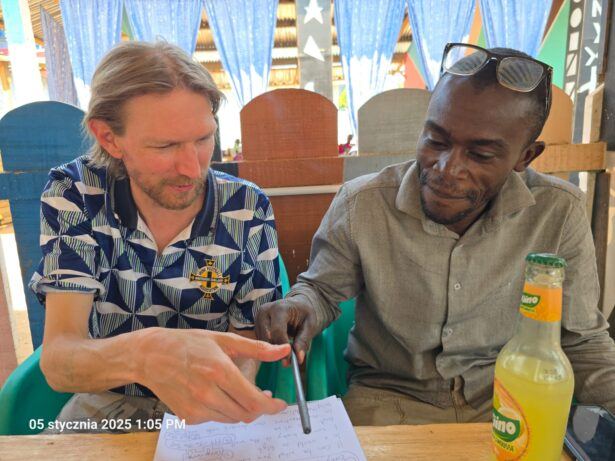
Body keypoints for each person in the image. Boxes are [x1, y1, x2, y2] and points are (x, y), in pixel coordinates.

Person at [256, 44, 615, 425]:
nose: (447, 168)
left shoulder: (559, 213)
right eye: (436, 140)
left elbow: (582, 343)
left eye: (480, 154)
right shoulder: (362, 204)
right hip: (387, 401)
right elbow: (323, 292)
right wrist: (300, 306)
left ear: (526, 156)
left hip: (512, 404)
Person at [30, 41, 290, 432]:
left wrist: (228, 402)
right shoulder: (76, 194)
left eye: (203, 139)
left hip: (208, 411)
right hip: (105, 405)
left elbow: (245, 344)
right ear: (108, 138)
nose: (192, 168)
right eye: (165, 146)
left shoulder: (247, 208)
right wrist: (146, 354)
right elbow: (60, 362)